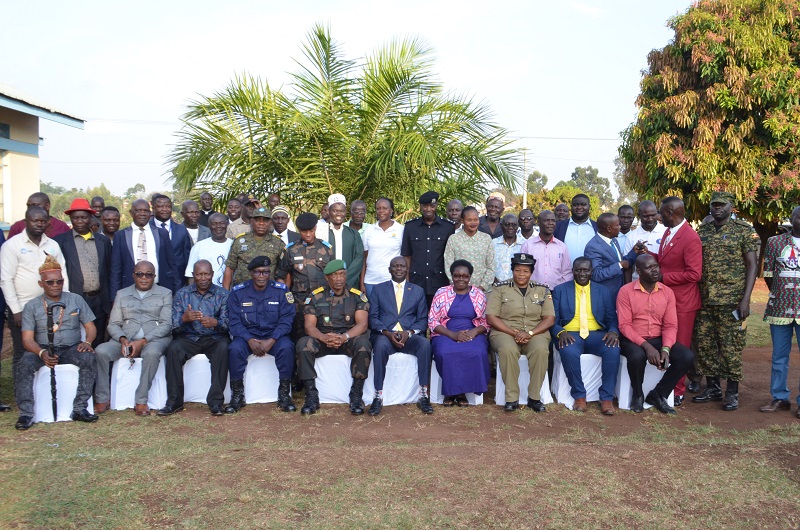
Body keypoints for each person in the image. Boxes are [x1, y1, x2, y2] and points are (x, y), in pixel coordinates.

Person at [14, 257, 98, 430]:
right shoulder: (32, 306)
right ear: (40, 283)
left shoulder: (75, 299)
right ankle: (26, 413)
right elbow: (27, 339)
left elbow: (91, 327)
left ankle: (80, 408)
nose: (55, 285)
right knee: (24, 363)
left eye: (59, 281)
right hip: (42, 349)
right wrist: (41, 353)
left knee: (89, 358)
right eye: (50, 282)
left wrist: (88, 342)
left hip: (71, 347)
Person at [693, 192, 759, 411]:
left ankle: (732, 392)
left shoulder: (743, 230)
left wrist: (745, 299)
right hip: (705, 300)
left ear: (731, 207)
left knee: (730, 347)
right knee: (705, 346)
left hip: (732, 300)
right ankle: (712, 387)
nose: (717, 208)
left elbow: (752, 265)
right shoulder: (702, 231)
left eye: (722, 205)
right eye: (714, 205)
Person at [616, 254, 695, 414]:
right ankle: (637, 394)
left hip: (658, 339)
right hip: (633, 339)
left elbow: (671, 325)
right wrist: (647, 347)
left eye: (656, 266)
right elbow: (624, 326)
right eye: (649, 267)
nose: (655, 270)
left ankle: (658, 394)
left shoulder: (667, 292)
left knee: (686, 356)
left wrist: (665, 349)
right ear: (638, 271)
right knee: (637, 356)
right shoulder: (626, 291)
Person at [95, 261, 173, 416]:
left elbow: (166, 325)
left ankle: (141, 400)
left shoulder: (165, 293)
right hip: (127, 338)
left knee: (151, 354)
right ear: (133, 275)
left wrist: (143, 341)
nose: (144, 278)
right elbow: (113, 324)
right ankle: (102, 398)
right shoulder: (122, 294)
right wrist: (123, 339)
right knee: (101, 351)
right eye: (139, 274)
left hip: (155, 339)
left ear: (154, 276)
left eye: (148, 274)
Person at [296, 260, 372, 415]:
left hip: (347, 340)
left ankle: (356, 395)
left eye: (342, 274)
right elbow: (309, 326)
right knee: (303, 344)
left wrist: (344, 337)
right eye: (335, 275)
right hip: (323, 339)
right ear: (326, 278)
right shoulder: (315, 296)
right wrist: (323, 338)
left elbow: (362, 324)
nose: (339, 278)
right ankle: (311, 396)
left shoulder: (357, 296)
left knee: (364, 344)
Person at [1, 206, 69, 375]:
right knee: (22, 353)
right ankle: (23, 397)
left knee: (46, 350)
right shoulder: (12, 245)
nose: (39, 224)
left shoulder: (53, 245)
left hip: (50, 308)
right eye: (35, 220)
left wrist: (62, 304)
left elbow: (63, 276)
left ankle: (42, 395)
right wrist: (16, 311)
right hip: (23, 309)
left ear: (48, 223)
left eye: (43, 221)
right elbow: (6, 280)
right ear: (26, 222)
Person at [158, 260, 230, 417]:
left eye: (206, 274)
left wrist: (215, 322)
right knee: (173, 349)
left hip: (215, 338)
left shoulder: (223, 295)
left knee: (224, 348)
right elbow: (173, 327)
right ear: (193, 275)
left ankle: (216, 402)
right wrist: (184, 318)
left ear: (212, 274)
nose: (203, 278)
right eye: (199, 274)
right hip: (189, 338)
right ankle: (174, 402)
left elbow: (228, 325)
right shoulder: (182, 294)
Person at [226, 256, 297, 414]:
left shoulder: (281, 290)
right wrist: (249, 339)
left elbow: (287, 319)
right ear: (251, 273)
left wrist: (272, 340)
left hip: (274, 336)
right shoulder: (238, 292)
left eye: (265, 272)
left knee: (287, 348)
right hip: (247, 336)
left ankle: (284, 395)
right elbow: (234, 322)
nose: (262, 276)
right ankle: (237, 395)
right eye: (257, 272)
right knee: (234, 349)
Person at [551, 258, 620, 415]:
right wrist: (561, 332)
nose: (582, 273)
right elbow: (552, 319)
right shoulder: (560, 290)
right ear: (573, 271)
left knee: (613, 348)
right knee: (568, 350)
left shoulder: (602, 291)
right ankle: (579, 396)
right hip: (570, 334)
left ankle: (607, 398)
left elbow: (612, 319)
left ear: (591, 272)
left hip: (596, 334)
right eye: (578, 270)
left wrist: (613, 331)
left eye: (586, 270)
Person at [486, 253, 554, 412]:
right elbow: (491, 317)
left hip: (535, 331)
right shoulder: (500, 288)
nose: (521, 274)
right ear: (512, 271)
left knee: (540, 350)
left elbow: (549, 319)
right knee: (508, 350)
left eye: (525, 271)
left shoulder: (542, 289)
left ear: (531, 272)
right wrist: (513, 332)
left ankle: (534, 398)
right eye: (517, 270)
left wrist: (530, 333)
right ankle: (511, 398)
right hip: (505, 331)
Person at [367, 256, 433, 416]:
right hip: (385, 335)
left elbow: (423, 319)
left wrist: (409, 333)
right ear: (389, 269)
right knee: (381, 345)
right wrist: (386, 332)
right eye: (395, 266)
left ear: (407, 269)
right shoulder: (378, 289)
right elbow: (373, 317)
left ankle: (423, 394)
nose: (398, 269)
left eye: (402, 266)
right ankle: (378, 395)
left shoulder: (417, 291)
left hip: (408, 335)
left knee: (425, 344)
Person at [654, 196, 702, 405]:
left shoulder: (690, 237)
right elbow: (667, 261)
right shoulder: (669, 231)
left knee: (680, 347)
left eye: (661, 213)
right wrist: (648, 254)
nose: (659, 216)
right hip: (667, 299)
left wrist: (664, 278)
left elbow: (694, 274)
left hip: (683, 303)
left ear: (671, 212)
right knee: (667, 342)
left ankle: (678, 390)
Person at [429, 260, 490, 406]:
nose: (460, 279)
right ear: (451, 276)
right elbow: (433, 321)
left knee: (478, 351)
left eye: (464, 276)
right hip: (445, 332)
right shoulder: (442, 292)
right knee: (444, 352)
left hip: (473, 332)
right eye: (457, 276)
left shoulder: (479, 294)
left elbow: (486, 322)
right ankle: (451, 392)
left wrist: (474, 332)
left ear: (470, 277)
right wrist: (453, 335)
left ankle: (462, 392)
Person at [53, 198, 113, 346]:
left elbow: (109, 269)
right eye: (75, 218)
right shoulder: (60, 242)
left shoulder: (102, 241)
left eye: (84, 217)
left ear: (91, 217)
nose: (80, 221)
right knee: (75, 338)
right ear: (70, 218)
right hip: (75, 298)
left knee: (98, 338)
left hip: (99, 299)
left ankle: (97, 368)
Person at [760, 205, 800, 417]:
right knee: (779, 356)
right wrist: (782, 293)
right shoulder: (775, 243)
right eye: (798, 218)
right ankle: (780, 397)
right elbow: (768, 274)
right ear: (791, 219)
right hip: (780, 308)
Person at [109, 199, 180, 300]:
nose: (142, 214)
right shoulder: (121, 235)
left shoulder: (161, 233)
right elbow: (116, 269)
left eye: (146, 211)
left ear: (150, 213)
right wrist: (114, 298)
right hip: (129, 291)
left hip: (159, 288)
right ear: (131, 212)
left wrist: (176, 289)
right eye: (138, 210)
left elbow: (172, 264)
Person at [282, 213, 334, 339]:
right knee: (298, 334)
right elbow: (283, 275)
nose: (308, 234)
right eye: (304, 232)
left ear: (315, 228)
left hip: (322, 300)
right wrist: (287, 299)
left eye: (311, 231)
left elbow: (333, 275)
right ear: (299, 231)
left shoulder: (327, 249)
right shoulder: (291, 250)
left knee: (323, 332)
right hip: (299, 302)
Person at [402, 191, 455, 308]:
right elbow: (407, 255)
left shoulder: (448, 227)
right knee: (416, 314)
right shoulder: (410, 226)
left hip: (439, 280)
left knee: (439, 315)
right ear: (420, 206)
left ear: (436, 206)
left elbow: (451, 255)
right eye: (425, 206)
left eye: (432, 206)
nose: (428, 209)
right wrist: (406, 280)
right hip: (416, 280)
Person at [222, 207, 287, 289]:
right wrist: (226, 294)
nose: (261, 223)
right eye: (257, 220)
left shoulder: (278, 244)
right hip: (242, 292)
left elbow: (283, 272)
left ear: (271, 223)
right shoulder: (239, 241)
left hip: (268, 293)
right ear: (251, 221)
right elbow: (230, 268)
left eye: (265, 220)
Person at [584, 212, 640, 301]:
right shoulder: (593, 247)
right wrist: (619, 265)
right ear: (609, 228)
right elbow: (596, 274)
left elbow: (619, 261)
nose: (620, 227)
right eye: (617, 225)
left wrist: (634, 252)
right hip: (605, 295)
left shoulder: (613, 239)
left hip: (618, 292)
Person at [361, 197, 404, 298]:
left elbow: (405, 258)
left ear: (391, 211)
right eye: (378, 208)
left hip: (391, 281)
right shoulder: (369, 230)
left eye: (384, 208)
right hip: (371, 281)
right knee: (372, 312)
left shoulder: (401, 230)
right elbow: (364, 258)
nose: (381, 211)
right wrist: (362, 283)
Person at [444, 206, 495, 291]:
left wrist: (482, 287)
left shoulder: (486, 239)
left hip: (483, 291)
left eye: (476, 219)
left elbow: (491, 266)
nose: (473, 223)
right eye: (469, 220)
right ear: (462, 221)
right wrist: (458, 286)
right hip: (459, 291)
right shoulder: (453, 239)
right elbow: (448, 265)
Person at [520, 210, 572, 290]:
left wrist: (561, 290)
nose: (550, 223)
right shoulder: (527, 245)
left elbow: (566, 272)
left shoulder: (562, 247)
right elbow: (522, 270)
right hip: (532, 292)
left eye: (553, 221)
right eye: (546, 220)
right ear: (538, 223)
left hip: (556, 292)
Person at [151, 194, 193, 287]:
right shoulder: (147, 229)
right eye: (161, 206)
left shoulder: (181, 230)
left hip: (177, 282)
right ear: (153, 208)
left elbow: (187, 257)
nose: (165, 209)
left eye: (168, 206)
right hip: (153, 282)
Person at [326, 194, 364, 289]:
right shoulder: (322, 233)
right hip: (326, 284)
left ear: (345, 212)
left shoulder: (354, 234)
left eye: (342, 211)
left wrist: (344, 279)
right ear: (329, 212)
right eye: (335, 211)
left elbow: (359, 258)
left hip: (350, 284)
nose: (339, 214)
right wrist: (330, 279)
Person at [185, 213, 232, 287]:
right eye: (214, 224)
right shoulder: (199, 246)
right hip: (206, 294)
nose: (218, 226)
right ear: (209, 226)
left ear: (227, 224)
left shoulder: (234, 245)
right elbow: (190, 275)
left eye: (222, 223)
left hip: (231, 293)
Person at [624, 200, 666, 277]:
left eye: (653, 215)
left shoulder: (666, 232)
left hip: (661, 282)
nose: (650, 219)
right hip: (637, 283)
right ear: (639, 215)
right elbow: (628, 266)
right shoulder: (631, 236)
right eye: (646, 216)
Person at [553, 194, 598, 265]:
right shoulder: (558, 227)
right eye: (575, 205)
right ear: (571, 207)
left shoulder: (597, 227)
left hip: (591, 274)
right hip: (564, 274)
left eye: (583, 204)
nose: (579, 207)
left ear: (589, 207)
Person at [493, 213, 526, 284]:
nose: (510, 227)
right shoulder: (493, 243)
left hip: (517, 287)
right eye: (507, 224)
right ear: (501, 226)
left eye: (514, 225)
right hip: (495, 286)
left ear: (518, 226)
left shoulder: (525, 244)